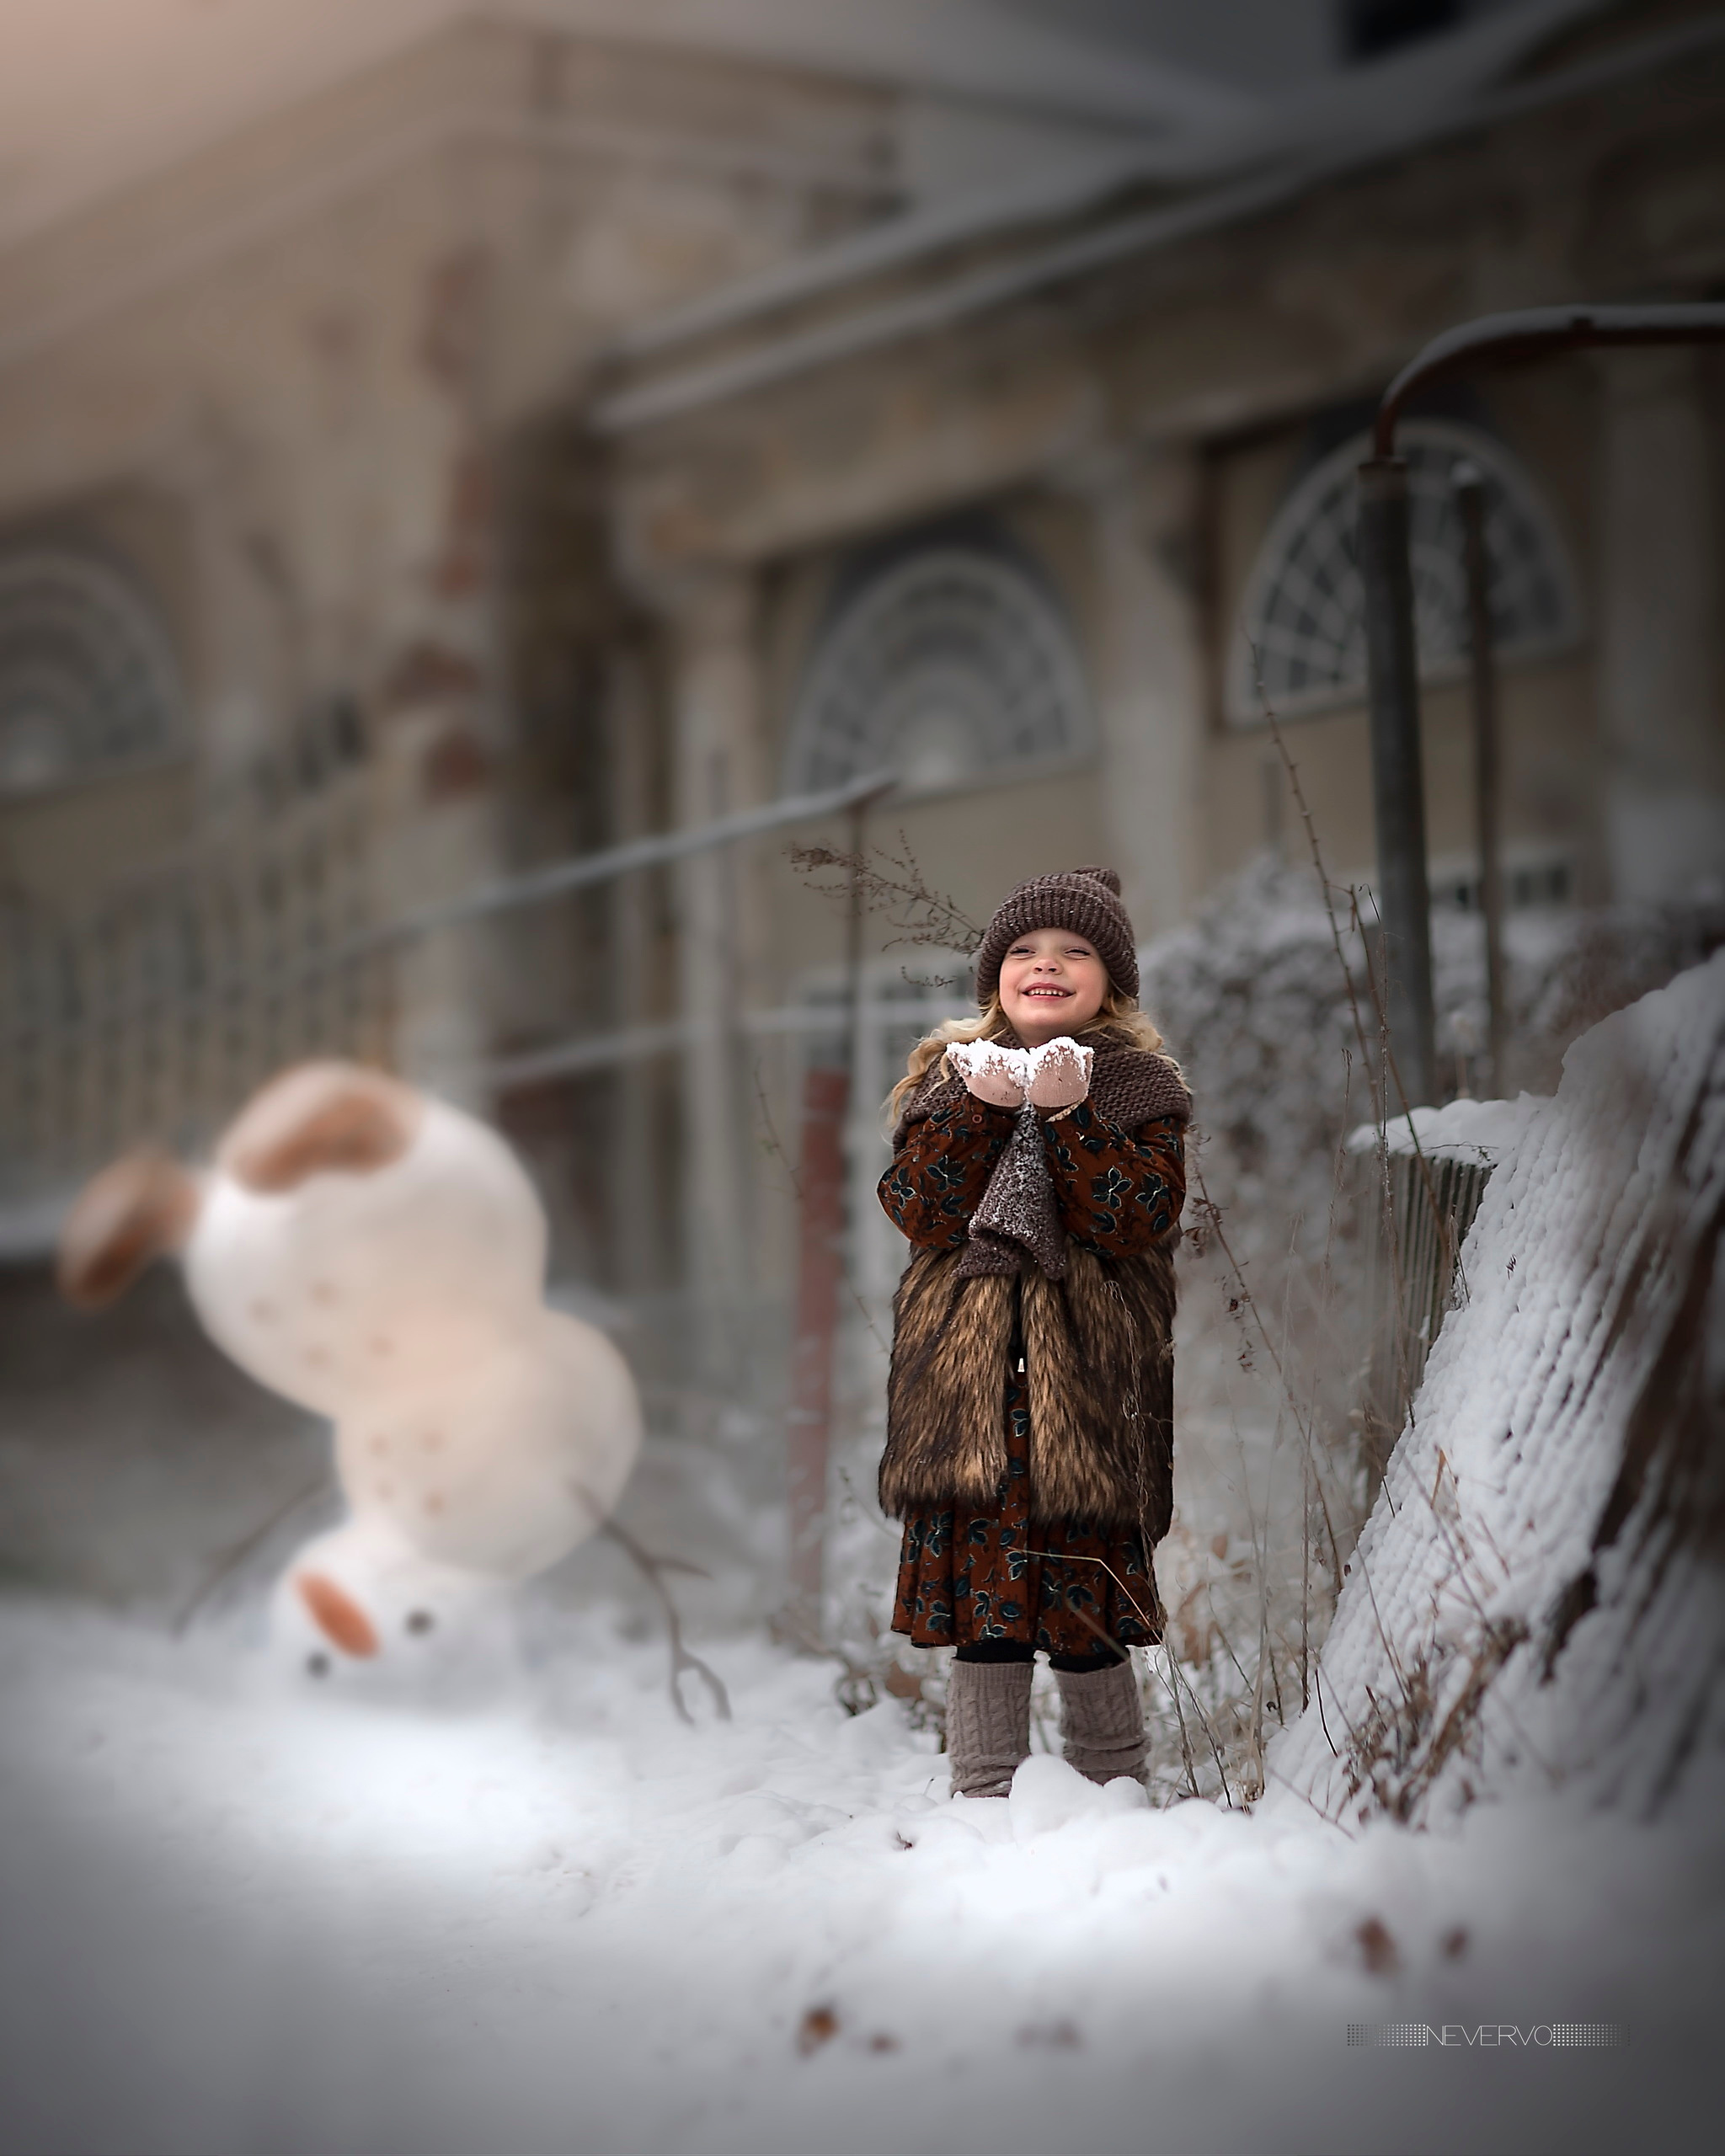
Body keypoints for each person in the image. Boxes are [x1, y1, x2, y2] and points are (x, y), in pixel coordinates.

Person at [877, 866, 1190, 1800]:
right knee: (987, 1612)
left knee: (1085, 1609)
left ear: (1111, 980)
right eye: (1022, 950)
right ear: (993, 975)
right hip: (967, 1399)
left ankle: (1113, 1791)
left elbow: (1133, 1216)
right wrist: (983, 1108)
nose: (1044, 965)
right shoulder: (946, 1082)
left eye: (1073, 951)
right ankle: (981, 1797)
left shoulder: (1139, 1088)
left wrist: (1066, 1116)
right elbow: (920, 1210)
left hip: (1087, 1392)